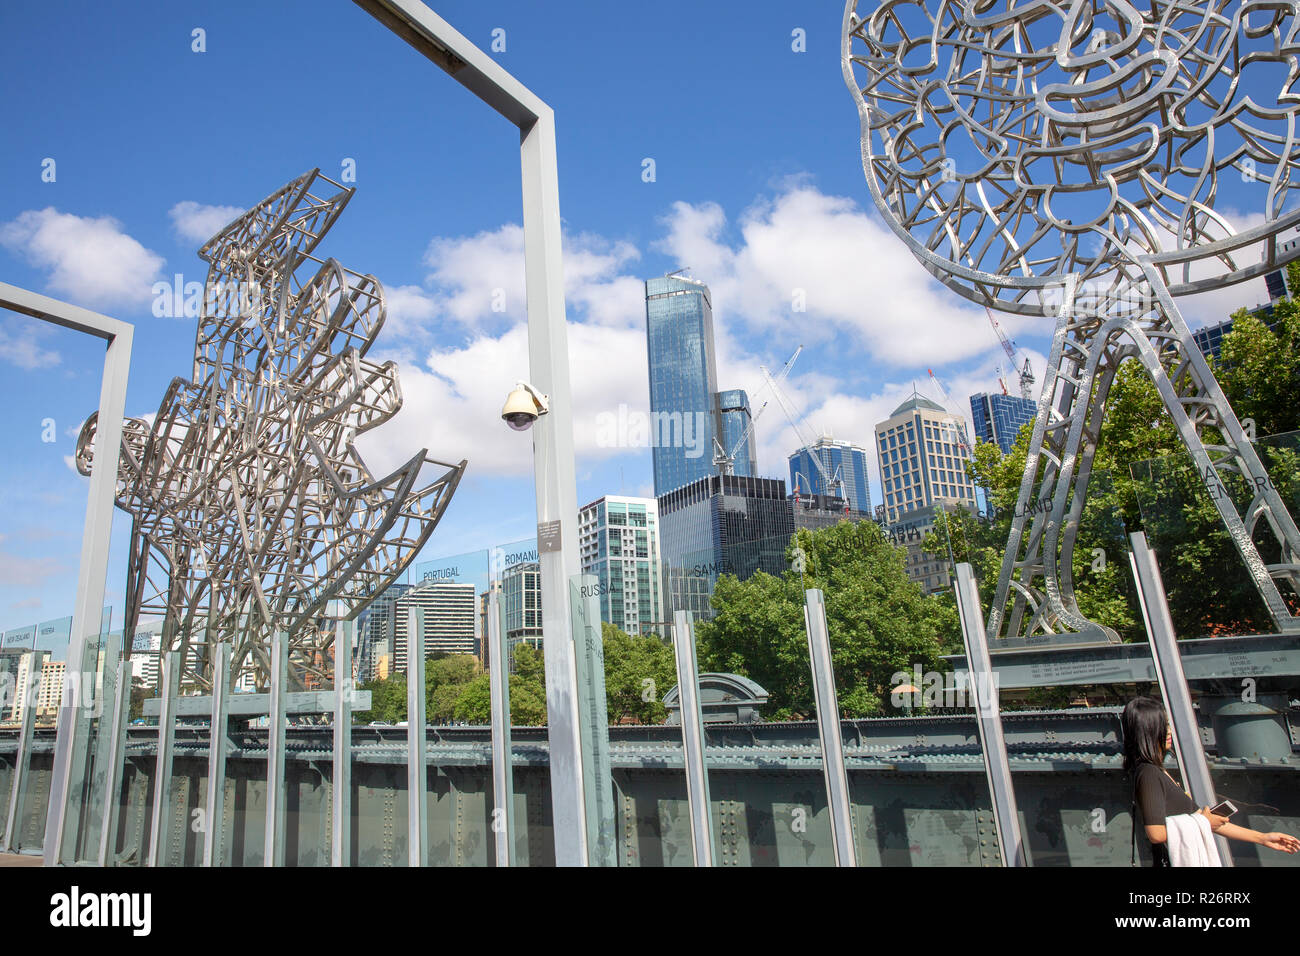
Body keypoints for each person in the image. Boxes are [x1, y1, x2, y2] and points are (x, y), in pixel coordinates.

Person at [1122, 696, 1300, 865]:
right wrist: (1203, 822)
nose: (1169, 731)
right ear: (1147, 730)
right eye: (1162, 725)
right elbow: (1156, 833)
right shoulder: (1149, 773)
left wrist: (1262, 838)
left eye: (1168, 724)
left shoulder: (1156, 771)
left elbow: (1208, 820)